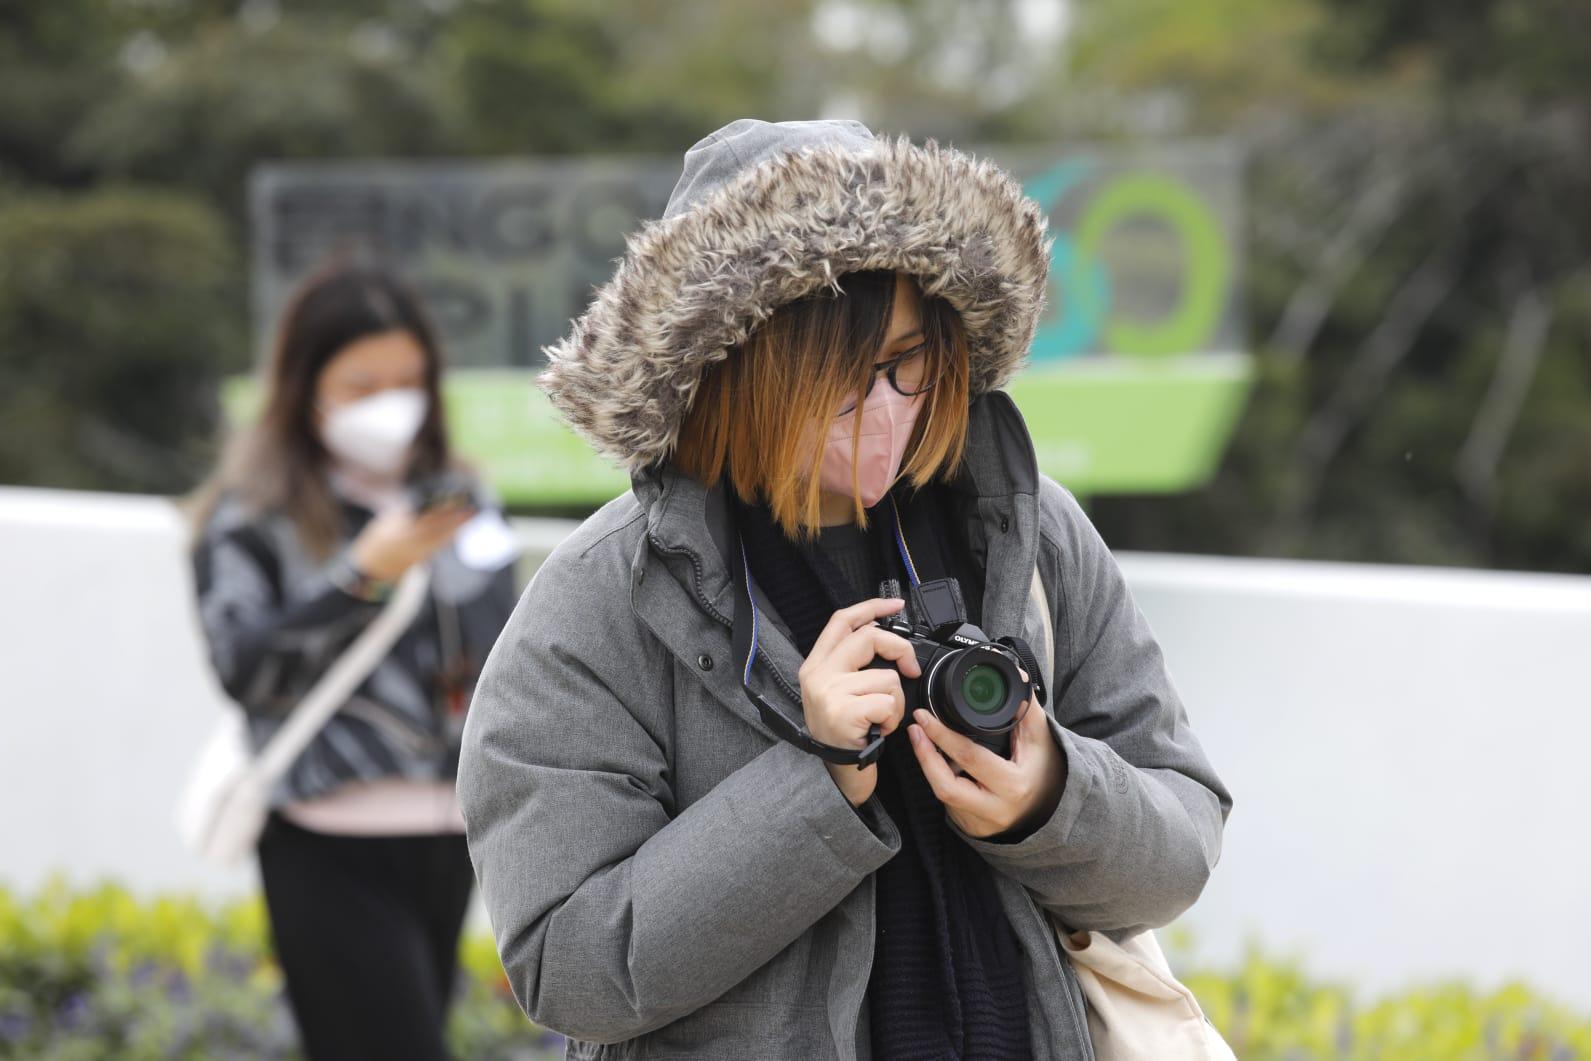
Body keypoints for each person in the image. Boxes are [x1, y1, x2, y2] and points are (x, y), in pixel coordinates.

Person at [458, 118, 1232, 1061]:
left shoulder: (1024, 532)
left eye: (906, 362)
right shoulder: (598, 603)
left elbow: (1181, 843)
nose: (885, 412)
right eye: (834, 379)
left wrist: (1047, 795)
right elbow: (568, 969)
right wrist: (816, 783)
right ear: (733, 367)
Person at [187, 259, 519, 1061]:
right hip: (324, 836)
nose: (391, 403)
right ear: (308, 388)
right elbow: (245, 668)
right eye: (363, 383)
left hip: (449, 833)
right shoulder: (251, 516)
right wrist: (362, 574)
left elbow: (505, 652)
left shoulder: (460, 498)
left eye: (408, 379)